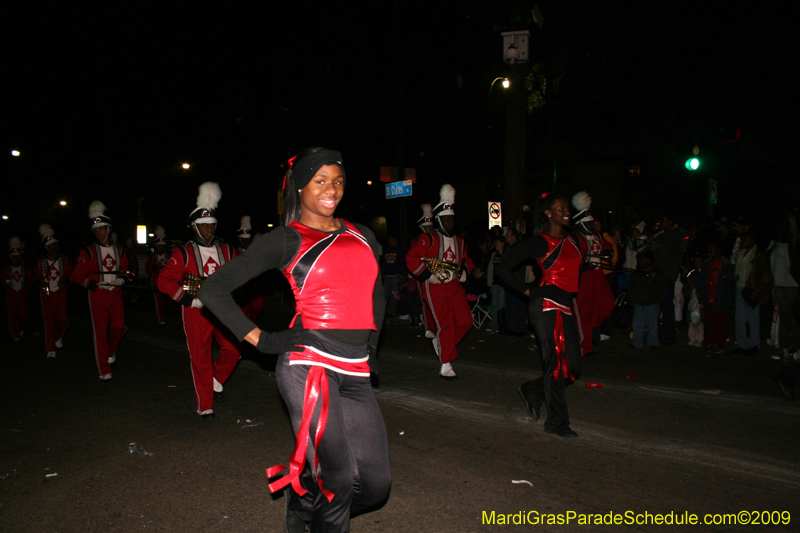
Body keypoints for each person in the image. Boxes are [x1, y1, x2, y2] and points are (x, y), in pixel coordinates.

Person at [198, 148, 390, 533]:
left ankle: (302, 493)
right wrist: (261, 339)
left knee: (374, 486)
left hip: (354, 368)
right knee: (337, 481)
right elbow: (214, 288)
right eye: (320, 181)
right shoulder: (286, 239)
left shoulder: (362, 234)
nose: (330, 189)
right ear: (299, 187)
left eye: (337, 181)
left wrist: (370, 347)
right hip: (309, 365)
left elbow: (376, 292)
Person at [497, 193, 583, 438]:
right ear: (548, 213)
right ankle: (556, 422)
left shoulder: (572, 239)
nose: (566, 211)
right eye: (560, 208)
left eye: (567, 208)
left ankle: (533, 390)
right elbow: (504, 266)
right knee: (555, 367)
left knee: (574, 368)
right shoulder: (541, 242)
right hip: (546, 305)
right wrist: (527, 290)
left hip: (566, 306)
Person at [157, 182, 241, 419]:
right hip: (196, 310)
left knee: (234, 348)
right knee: (201, 357)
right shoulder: (182, 252)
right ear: (195, 227)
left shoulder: (226, 248)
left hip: (223, 309)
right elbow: (164, 281)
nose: (208, 230)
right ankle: (205, 406)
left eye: (211, 225)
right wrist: (187, 300)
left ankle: (216, 379)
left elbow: (238, 273)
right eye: (203, 226)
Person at [407, 184, 474, 379]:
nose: (450, 221)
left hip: (454, 286)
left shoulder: (461, 241)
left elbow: (468, 261)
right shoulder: (428, 239)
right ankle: (446, 362)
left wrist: (464, 272)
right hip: (434, 287)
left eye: (452, 218)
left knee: (466, 321)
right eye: (446, 218)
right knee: (444, 324)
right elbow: (411, 258)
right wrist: (429, 276)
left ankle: (442, 344)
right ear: (438, 219)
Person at [71, 202, 130, 381]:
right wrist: (93, 284)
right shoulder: (88, 252)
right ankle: (104, 369)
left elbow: (126, 270)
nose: (98, 233)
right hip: (98, 295)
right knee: (100, 332)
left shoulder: (120, 250)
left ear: (109, 229)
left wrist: (123, 278)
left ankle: (111, 352)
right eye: (96, 230)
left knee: (120, 327)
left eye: (101, 229)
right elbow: (76, 276)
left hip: (115, 294)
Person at [570, 191, 614, 356]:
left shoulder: (597, 235)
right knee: (583, 314)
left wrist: (608, 252)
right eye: (588, 223)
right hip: (584, 280)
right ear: (580, 223)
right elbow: (571, 257)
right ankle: (584, 347)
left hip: (598, 277)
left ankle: (584, 334)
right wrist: (582, 265)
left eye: (592, 222)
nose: (592, 225)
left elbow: (607, 246)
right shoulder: (575, 237)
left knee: (607, 304)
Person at [731, 232, 772, 355]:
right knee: (740, 318)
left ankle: (754, 345)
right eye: (742, 240)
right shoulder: (742, 254)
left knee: (753, 318)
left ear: (752, 241)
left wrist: (758, 291)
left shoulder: (758, 255)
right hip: (741, 288)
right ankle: (742, 344)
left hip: (752, 289)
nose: (743, 242)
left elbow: (765, 276)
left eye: (745, 240)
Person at [35, 225, 71, 358]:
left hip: (61, 293)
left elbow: (70, 275)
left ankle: (57, 337)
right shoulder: (41, 262)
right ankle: (50, 348)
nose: (55, 247)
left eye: (56, 244)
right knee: (48, 322)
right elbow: (34, 277)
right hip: (47, 294)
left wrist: (66, 282)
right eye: (52, 245)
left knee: (63, 320)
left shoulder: (64, 260)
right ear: (47, 247)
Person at [650, 213, 685, 345]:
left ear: (670, 222)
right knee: (659, 305)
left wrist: (658, 246)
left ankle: (669, 334)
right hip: (660, 275)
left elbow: (666, 252)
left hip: (667, 275)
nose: (662, 223)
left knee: (666, 305)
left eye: (664, 220)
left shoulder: (674, 235)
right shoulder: (662, 234)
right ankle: (658, 334)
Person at [695, 242, 735, 355]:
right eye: (709, 249)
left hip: (721, 298)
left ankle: (720, 344)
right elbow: (701, 282)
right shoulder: (706, 264)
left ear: (718, 250)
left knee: (721, 323)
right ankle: (710, 343)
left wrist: (729, 300)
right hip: (709, 298)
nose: (710, 251)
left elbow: (730, 284)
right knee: (709, 323)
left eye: (712, 249)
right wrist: (701, 296)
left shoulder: (726, 265)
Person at [627, 250, 668, 349]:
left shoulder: (657, 273)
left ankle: (653, 342)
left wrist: (658, 299)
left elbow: (662, 288)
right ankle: (637, 342)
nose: (643, 262)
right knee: (637, 325)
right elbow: (632, 287)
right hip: (639, 302)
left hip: (651, 303)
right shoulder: (637, 273)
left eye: (645, 260)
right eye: (641, 260)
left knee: (652, 325)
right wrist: (631, 299)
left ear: (649, 260)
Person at [410, 203, 436, 337]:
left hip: (436, 274)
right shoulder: (417, 241)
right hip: (423, 275)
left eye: (431, 226)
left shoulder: (436, 239)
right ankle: (428, 327)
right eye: (427, 227)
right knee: (425, 301)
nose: (430, 228)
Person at [235, 215, 267, 323]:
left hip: (253, 285)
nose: (246, 242)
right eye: (244, 239)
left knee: (258, 304)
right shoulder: (234, 252)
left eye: (248, 239)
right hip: (239, 286)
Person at [2, 238, 33, 341]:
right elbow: (2, 280)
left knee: (23, 314)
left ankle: (21, 328)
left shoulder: (25, 266)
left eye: (18, 257)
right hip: (11, 292)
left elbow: (31, 278)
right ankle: (15, 333)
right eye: (14, 257)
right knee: (13, 314)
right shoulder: (7, 268)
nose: (16, 259)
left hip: (22, 292)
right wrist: (6, 281)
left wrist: (27, 280)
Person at [145, 226, 171, 325]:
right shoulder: (151, 256)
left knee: (166, 301)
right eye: (160, 247)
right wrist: (154, 269)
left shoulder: (168, 255)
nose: (162, 249)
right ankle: (160, 319)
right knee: (158, 301)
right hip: (155, 281)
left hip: (166, 281)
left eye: (163, 247)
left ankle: (163, 315)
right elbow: (148, 269)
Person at [381, 236, 407, 318]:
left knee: (394, 294)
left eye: (393, 240)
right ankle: (383, 312)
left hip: (396, 276)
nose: (391, 242)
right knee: (385, 294)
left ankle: (392, 312)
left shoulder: (401, 250)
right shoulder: (387, 251)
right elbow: (384, 263)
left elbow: (404, 262)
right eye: (390, 240)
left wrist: (402, 273)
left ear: (396, 241)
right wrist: (383, 273)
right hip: (388, 276)